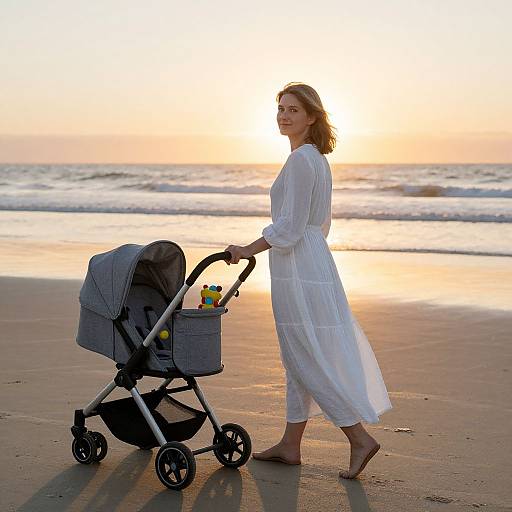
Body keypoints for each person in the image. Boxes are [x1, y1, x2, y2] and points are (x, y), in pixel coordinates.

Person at [224, 82, 392, 479]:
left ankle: (358, 438)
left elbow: (290, 226)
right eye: (280, 108)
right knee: (299, 354)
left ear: (312, 116)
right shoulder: (315, 158)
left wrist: (246, 250)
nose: (284, 115)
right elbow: (318, 224)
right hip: (312, 261)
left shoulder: (301, 160)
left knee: (305, 354)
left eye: (294, 110)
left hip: (298, 265)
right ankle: (290, 444)